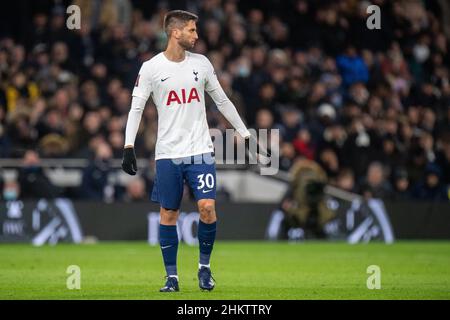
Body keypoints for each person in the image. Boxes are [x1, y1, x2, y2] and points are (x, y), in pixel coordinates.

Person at [121, 10, 251, 292]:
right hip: (168, 153)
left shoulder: (202, 64)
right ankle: (172, 278)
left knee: (207, 208)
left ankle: (204, 269)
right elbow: (136, 108)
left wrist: (244, 132)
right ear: (175, 32)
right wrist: (128, 145)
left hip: (200, 150)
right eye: (192, 30)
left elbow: (222, 100)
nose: (196, 35)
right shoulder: (151, 68)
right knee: (168, 215)